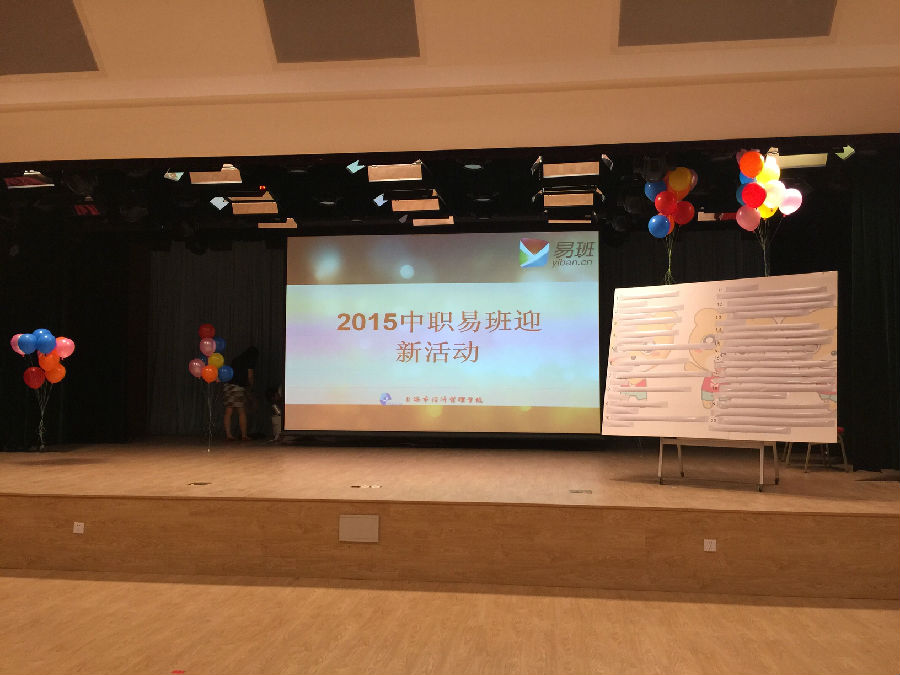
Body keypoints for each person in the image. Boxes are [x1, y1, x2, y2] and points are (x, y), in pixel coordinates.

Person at [223, 346, 258, 441]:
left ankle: (228, 435)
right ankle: (244, 435)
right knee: (241, 412)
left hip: (228, 385)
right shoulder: (250, 360)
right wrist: (251, 388)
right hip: (238, 387)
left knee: (228, 411)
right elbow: (250, 376)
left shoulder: (236, 359)